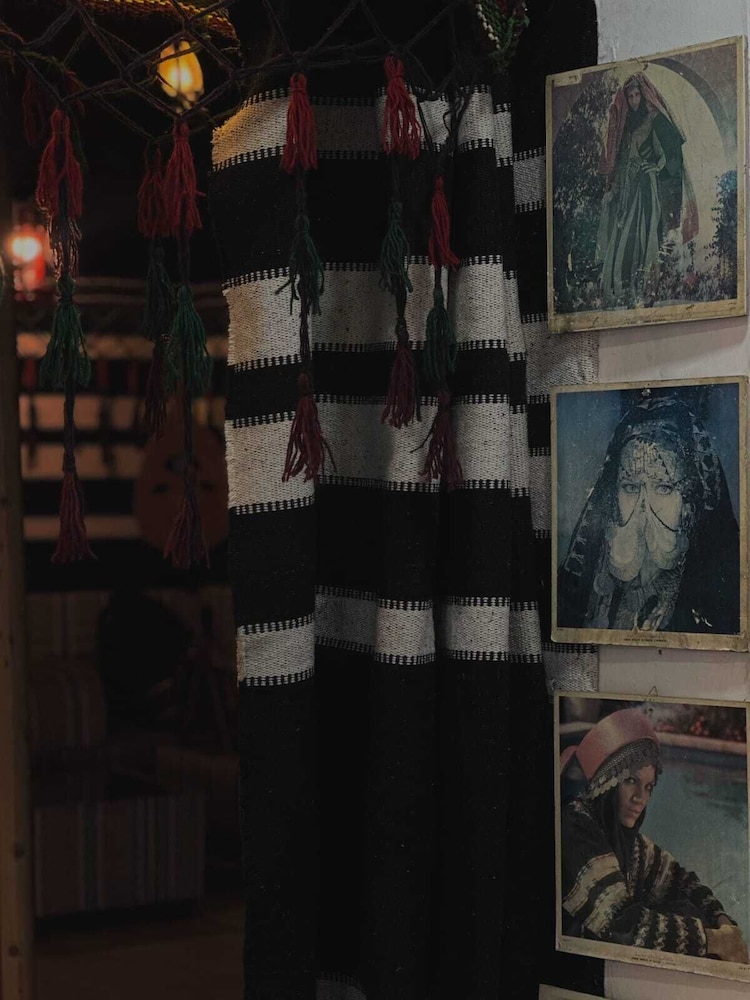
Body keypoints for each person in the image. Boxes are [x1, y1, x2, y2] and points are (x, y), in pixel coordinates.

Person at [560, 707, 748, 963]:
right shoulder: (575, 826)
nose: (641, 798)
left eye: (648, 787)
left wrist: (723, 924)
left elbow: (683, 882)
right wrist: (713, 940)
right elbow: (620, 926)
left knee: (687, 908)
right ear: (607, 783)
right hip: (577, 967)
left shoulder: (630, 844)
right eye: (631, 781)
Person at [558, 391, 740, 634]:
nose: (643, 508)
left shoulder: (717, 597)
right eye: (630, 487)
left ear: (688, 505)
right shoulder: (580, 584)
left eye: (663, 488)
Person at [596, 72, 698, 308]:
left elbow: (665, 153)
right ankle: (623, 290)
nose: (634, 101)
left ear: (643, 96)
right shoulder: (625, 128)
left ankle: (646, 290)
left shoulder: (653, 119)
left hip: (646, 188)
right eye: (630, 96)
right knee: (623, 236)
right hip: (627, 189)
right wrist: (614, 188)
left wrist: (655, 167)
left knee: (645, 235)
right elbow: (621, 161)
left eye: (636, 95)